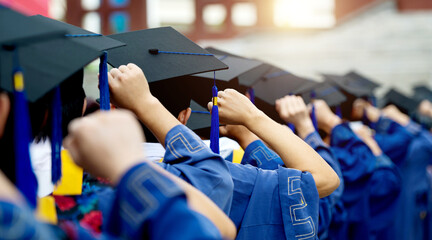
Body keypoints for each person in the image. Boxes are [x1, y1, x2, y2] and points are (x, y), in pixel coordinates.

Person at [107, 63, 340, 239]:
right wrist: (252, 119)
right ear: (185, 116)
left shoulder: (90, 180)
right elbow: (325, 181)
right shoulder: (217, 175)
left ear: (113, 108)